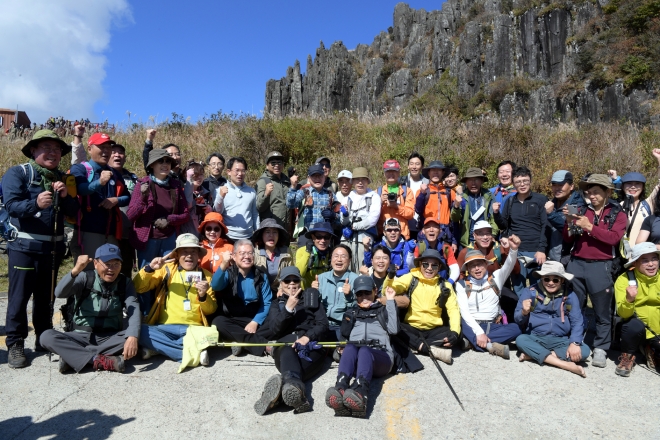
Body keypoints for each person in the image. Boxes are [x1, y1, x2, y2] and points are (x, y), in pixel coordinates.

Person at [3, 130, 79, 368]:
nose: (53, 153)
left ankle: (44, 339)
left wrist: (66, 197)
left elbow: (74, 212)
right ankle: (15, 344)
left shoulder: (63, 179)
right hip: (24, 248)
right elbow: (12, 205)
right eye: (46, 148)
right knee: (18, 298)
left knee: (46, 299)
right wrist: (34, 203)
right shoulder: (18, 173)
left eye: (57, 149)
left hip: (52, 251)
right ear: (33, 150)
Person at [40, 245, 139, 373]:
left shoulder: (125, 283)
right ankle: (99, 360)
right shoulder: (85, 278)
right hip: (79, 336)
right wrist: (76, 270)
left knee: (138, 334)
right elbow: (59, 293)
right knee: (46, 336)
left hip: (110, 337)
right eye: (107, 264)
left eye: (116, 264)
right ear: (96, 263)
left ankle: (72, 357)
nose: (111, 269)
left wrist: (132, 337)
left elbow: (134, 309)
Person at [563, 173, 626, 368]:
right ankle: (576, 340)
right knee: (575, 306)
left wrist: (589, 226)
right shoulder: (580, 209)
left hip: (602, 265)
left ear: (608, 192)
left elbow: (614, 239)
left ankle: (600, 347)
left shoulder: (618, 213)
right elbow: (569, 239)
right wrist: (568, 223)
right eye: (590, 192)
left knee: (602, 309)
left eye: (597, 192)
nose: (593, 196)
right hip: (577, 262)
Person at [253, 267, 329, 415]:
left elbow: (323, 324)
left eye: (296, 280)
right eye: (287, 280)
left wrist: (307, 337)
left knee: (291, 375)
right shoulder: (277, 304)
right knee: (287, 351)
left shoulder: (311, 299)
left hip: (311, 348)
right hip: (285, 348)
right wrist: (288, 309)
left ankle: (282, 395)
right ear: (281, 284)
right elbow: (274, 330)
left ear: (301, 282)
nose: (292, 284)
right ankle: (295, 393)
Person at [134, 233, 216, 363]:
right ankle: (192, 352)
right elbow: (138, 287)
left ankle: (159, 348)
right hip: (164, 328)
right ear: (177, 255)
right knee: (139, 330)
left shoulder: (207, 276)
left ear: (198, 256)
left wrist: (203, 296)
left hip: (193, 330)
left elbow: (211, 310)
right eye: (184, 251)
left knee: (212, 335)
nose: (189, 255)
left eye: (193, 252)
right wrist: (149, 268)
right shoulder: (166, 269)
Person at [325, 276, 399, 418]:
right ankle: (341, 386)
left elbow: (394, 329)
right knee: (350, 347)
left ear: (375, 291)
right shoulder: (352, 313)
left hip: (381, 357)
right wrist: (341, 348)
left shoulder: (383, 311)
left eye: (367, 293)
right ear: (355, 295)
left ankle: (361, 392)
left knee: (365, 350)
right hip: (357, 359)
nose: (364, 297)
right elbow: (344, 337)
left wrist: (390, 301)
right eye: (359, 294)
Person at [384, 249, 461, 365]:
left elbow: (453, 310)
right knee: (393, 327)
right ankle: (428, 347)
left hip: (434, 329)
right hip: (411, 327)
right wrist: (390, 277)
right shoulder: (411, 277)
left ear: (439, 267)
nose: (429, 268)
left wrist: (455, 333)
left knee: (458, 333)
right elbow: (389, 291)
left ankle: (415, 345)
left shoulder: (446, 285)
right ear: (420, 264)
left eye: (434, 265)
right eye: (426, 264)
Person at [515, 261, 590, 378]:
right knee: (520, 340)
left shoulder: (570, 295)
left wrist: (574, 343)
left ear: (562, 280)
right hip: (536, 337)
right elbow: (518, 319)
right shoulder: (529, 292)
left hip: (561, 339)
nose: (550, 283)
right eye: (546, 279)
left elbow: (577, 321)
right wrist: (524, 312)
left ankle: (535, 355)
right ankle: (566, 365)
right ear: (541, 278)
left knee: (584, 350)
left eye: (555, 280)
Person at [69, 132, 130, 269]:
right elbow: (80, 189)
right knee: (88, 271)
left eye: (109, 147)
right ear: (90, 149)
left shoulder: (114, 173)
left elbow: (127, 197)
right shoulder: (80, 169)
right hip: (88, 232)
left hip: (112, 233)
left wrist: (116, 200)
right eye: (102, 147)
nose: (106, 151)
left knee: (110, 271)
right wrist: (100, 182)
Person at [455, 235, 522, 358]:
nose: (477, 268)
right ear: (468, 269)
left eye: (479, 264)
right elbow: (464, 312)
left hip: (493, 326)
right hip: (471, 324)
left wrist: (513, 250)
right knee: (460, 322)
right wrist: (479, 332)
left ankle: (471, 342)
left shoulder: (496, 277)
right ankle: (489, 346)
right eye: (472, 266)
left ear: (486, 265)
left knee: (517, 328)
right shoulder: (461, 285)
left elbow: (509, 265)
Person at [127, 149, 189, 273]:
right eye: (160, 161)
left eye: (168, 161)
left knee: (167, 276)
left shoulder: (175, 186)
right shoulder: (142, 184)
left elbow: (185, 214)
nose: (165, 164)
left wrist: (169, 220)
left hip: (170, 238)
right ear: (151, 165)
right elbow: (131, 215)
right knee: (147, 276)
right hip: (147, 239)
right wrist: (143, 198)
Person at [211, 239, 273, 355]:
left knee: (274, 323)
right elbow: (215, 286)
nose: (247, 256)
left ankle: (237, 341)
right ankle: (264, 346)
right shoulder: (227, 273)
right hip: (232, 319)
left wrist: (255, 322)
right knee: (218, 322)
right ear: (234, 257)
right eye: (242, 253)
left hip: (253, 319)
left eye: (250, 253)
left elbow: (266, 303)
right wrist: (223, 264)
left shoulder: (261, 276)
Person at [494, 166, 548, 294]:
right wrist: (496, 213)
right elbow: (504, 226)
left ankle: (536, 313)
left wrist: (541, 250)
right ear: (514, 183)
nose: (522, 184)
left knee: (538, 288)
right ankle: (520, 313)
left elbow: (546, 226)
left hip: (535, 251)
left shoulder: (541, 200)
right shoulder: (510, 200)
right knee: (518, 286)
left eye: (525, 181)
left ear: (530, 181)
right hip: (516, 252)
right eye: (518, 182)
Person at [613, 242, 660, 376]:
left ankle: (650, 349)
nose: (651, 264)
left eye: (654, 259)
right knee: (633, 326)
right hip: (635, 327)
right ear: (635, 263)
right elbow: (623, 313)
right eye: (645, 260)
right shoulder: (624, 280)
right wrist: (629, 299)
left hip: (657, 330)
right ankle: (627, 355)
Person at [313, 244, 359, 339]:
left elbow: (358, 308)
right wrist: (313, 293)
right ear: (331, 259)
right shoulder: (321, 278)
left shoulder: (355, 280)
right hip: (322, 324)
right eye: (336, 256)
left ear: (349, 260)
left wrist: (349, 296)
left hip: (343, 325)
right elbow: (314, 306)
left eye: (343, 256)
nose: (339, 259)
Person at [340, 167, 381, 271]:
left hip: (364, 239)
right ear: (353, 182)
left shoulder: (374, 197)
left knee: (363, 268)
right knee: (345, 267)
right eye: (357, 180)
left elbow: (373, 219)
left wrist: (355, 226)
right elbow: (343, 221)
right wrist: (344, 215)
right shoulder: (347, 198)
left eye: (363, 179)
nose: (360, 183)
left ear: (367, 181)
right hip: (347, 238)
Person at [108, 143, 139, 277]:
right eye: (113, 151)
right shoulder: (101, 175)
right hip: (109, 232)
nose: (117, 155)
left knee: (125, 269)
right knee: (109, 267)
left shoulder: (132, 178)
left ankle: (123, 296)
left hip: (128, 233)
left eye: (120, 152)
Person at [213, 157, 259, 241]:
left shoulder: (251, 191)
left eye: (243, 170)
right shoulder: (220, 190)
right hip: (228, 237)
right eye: (237, 170)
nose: (240, 173)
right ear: (229, 172)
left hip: (248, 237)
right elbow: (217, 212)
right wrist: (220, 197)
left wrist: (257, 234)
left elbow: (255, 214)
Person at [451, 167, 498, 248]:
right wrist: (456, 207)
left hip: (486, 241)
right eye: (470, 180)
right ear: (466, 182)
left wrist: (493, 235)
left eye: (476, 179)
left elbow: (494, 218)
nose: (473, 183)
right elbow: (455, 219)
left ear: (482, 181)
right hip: (467, 243)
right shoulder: (462, 198)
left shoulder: (489, 196)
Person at [288, 164, 338, 240]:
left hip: (324, 236)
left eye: (320, 175)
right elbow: (290, 204)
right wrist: (293, 187)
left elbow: (340, 217)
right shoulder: (303, 192)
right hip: (306, 234)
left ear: (324, 177)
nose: (317, 178)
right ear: (309, 178)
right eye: (314, 176)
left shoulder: (330, 195)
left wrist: (334, 215)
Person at [545, 170, 583, 263]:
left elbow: (572, 231)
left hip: (567, 259)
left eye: (561, 185)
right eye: (554, 185)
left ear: (572, 186)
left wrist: (551, 214)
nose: (557, 188)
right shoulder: (551, 203)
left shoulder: (577, 204)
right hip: (550, 257)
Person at [413, 218, 459, 286]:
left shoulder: (446, 247)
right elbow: (412, 267)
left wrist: (449, 283)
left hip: (441, 285)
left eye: (435, 227)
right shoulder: (418, 247)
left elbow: (455, 267)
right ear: (423, 231)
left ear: (440, 230)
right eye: (428, 227)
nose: (431, 230)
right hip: (422, 285)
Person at [252, 218, 292, 292]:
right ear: (261, 235)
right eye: (267, 232)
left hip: (281, 292)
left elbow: (290, 274)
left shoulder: (286, 252)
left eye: (275, 232)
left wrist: (281, 288)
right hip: (260, 291)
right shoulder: (254, 253)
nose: (271, 235)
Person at [378, 160, 415, 240]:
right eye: (388, 171)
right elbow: (372, 216)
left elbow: (411, 214)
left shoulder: (407, 191)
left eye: (394, 171)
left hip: (402, 234)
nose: (391, 174)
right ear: (384, 173)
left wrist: (397, 207)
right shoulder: (378, 192)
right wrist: (379, 203)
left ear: (398, 173)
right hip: (383, 234)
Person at [414, 160, 455, 229]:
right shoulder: (422, 191)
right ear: (429, 173)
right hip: (428, 230)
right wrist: (422, 194)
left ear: (443, 173)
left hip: (445, 231)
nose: (436, 172)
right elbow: (418, 210)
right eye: (433, 170)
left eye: (439, 170)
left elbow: (456, 212)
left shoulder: (450, 192)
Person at [256, 151, 291, 230]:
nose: (277, 165)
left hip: (285, 228)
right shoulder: (262, 182)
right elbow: (259, 207)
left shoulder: (286, 181)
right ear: (267, 166)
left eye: (279, 163)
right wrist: (266, 194)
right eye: (273, 163)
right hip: (271, 228)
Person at [295, 222, 336, 288]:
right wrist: (308, 252)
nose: (323, 240)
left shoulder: (332, 253)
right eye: (319, 237)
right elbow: (299, 274)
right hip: (306, 292)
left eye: (327, 237)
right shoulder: (302, 251)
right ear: (313, 237)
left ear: (330, 238)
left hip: (325, 291)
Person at [400, 152, 428, 240]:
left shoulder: (427, 183)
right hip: (404, 227)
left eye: (417, 164)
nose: (414, 167)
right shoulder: (401, 182)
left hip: (422, 228)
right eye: (411, 164)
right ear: (408, 166)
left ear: (422, 166)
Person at [182, 160, 212, 236]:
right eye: (196, 174)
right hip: (188, 234)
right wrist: (189, 181)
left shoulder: (205, 193)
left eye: (201, 174)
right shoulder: (182, 192)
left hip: (202, 234)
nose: (199, 177)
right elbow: (188, 205)